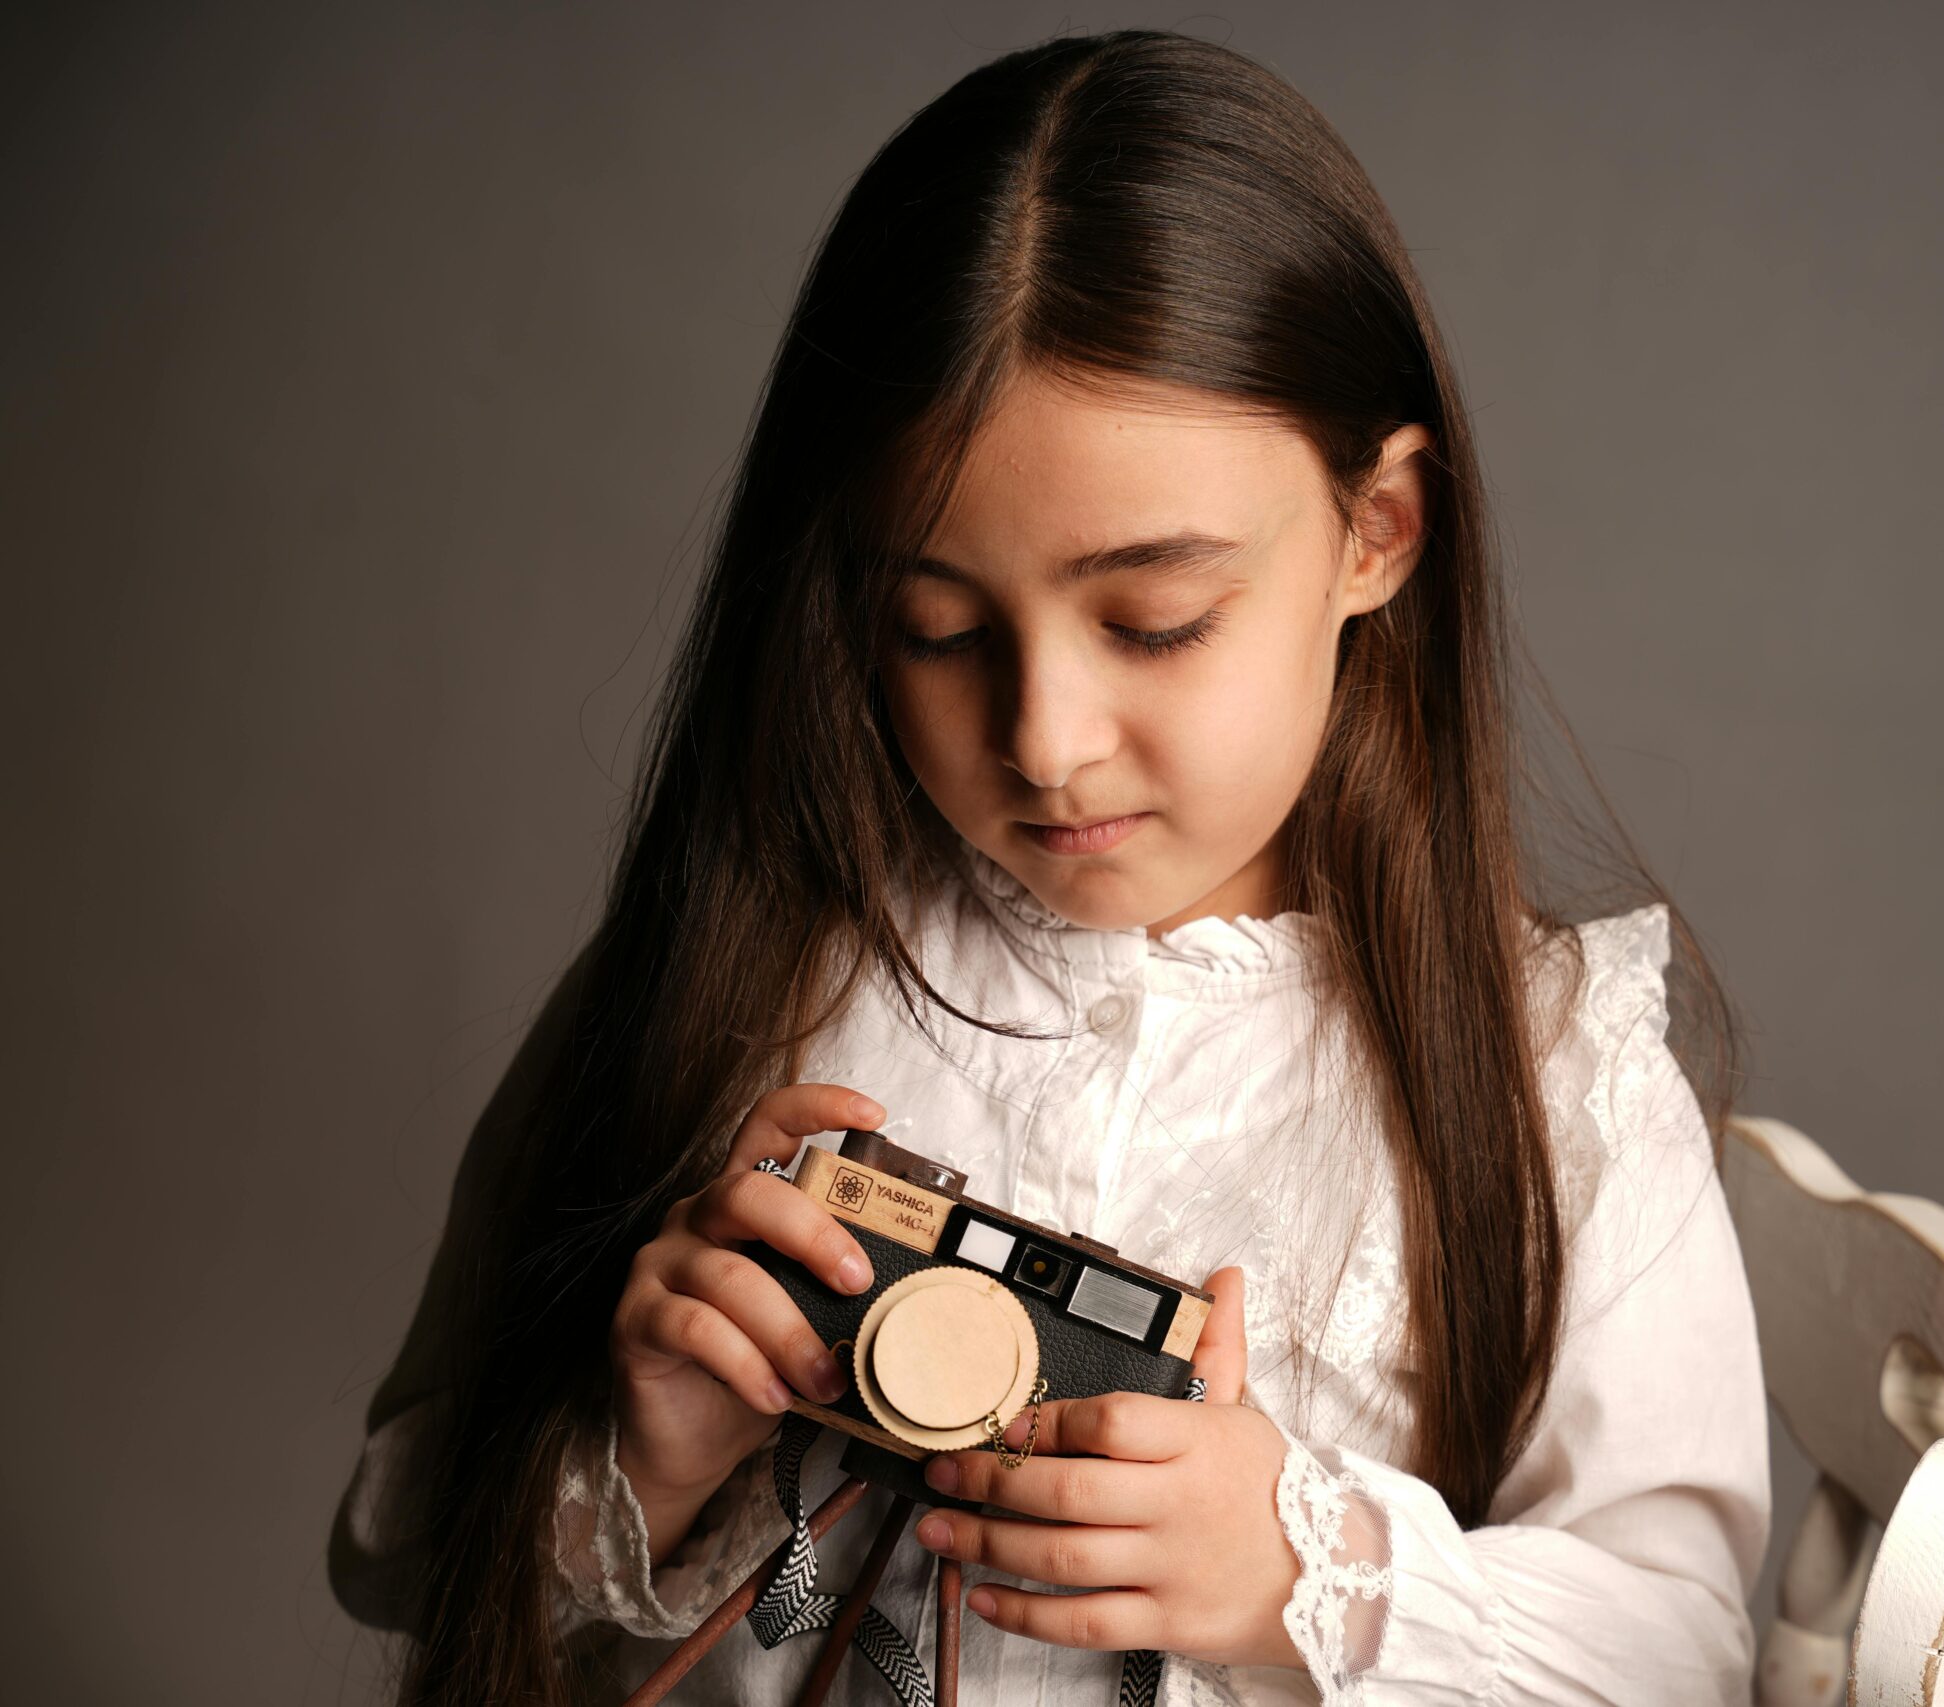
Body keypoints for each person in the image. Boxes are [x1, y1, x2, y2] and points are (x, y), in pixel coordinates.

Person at [330, 26, 1770, 1707]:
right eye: (933, 629)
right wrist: (639, 1460)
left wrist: (1308, 1573)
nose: (1046, 738)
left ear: (1375, 533)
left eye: (1154, 621)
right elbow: (384, 1546)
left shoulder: (1547, 1076)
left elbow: (1684, 1659)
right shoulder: (739, 980)